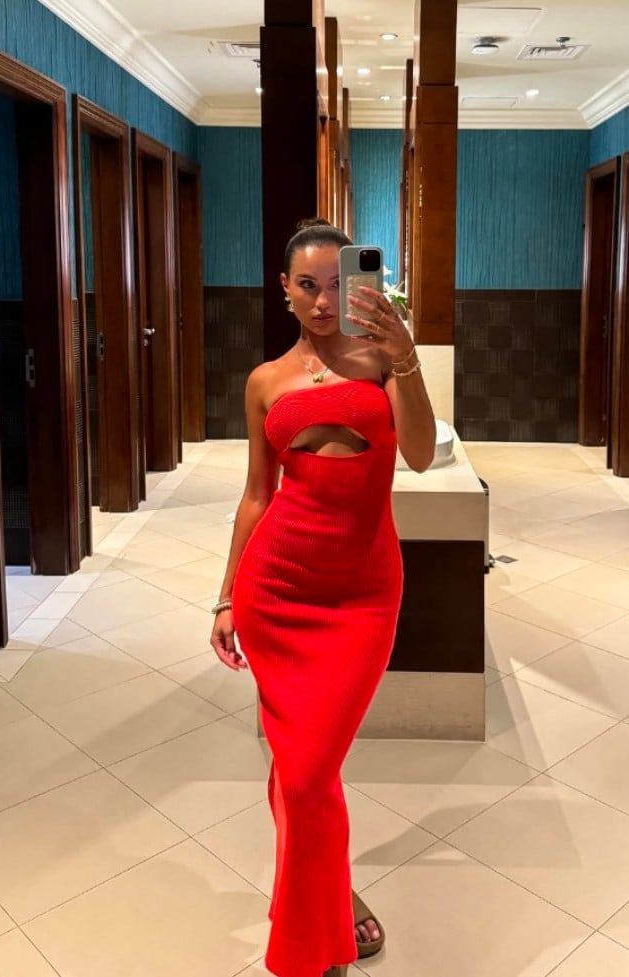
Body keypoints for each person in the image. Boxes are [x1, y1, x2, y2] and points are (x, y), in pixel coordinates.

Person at [210, 218, 436, 977]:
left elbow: (419, 454)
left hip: (362, 594)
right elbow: (256, 494)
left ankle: (315, 910)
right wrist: (225, 597)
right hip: (277, 590)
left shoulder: (380, 363)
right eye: (307, 286)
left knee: (306, 773)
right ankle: (323, 929)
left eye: (338, 284)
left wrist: (406, 357)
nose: (323, 301)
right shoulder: (265, 381)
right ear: (284, 290)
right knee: (302, 772)